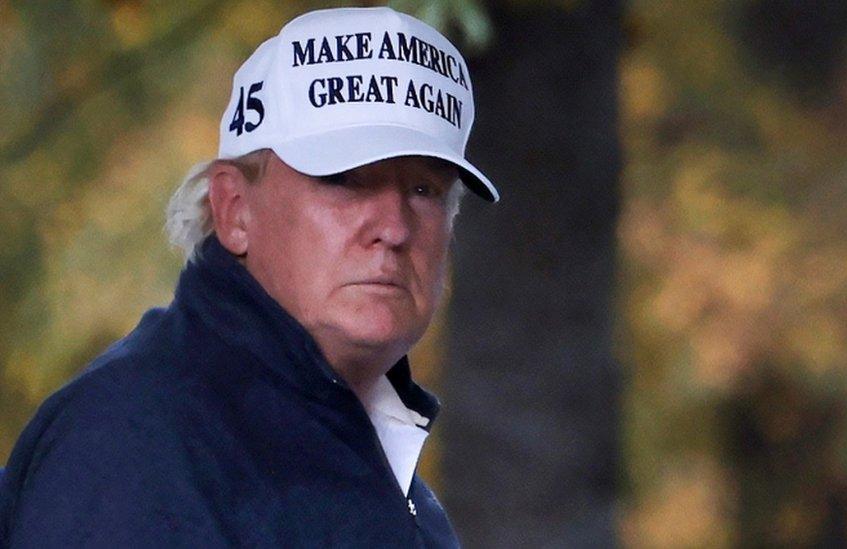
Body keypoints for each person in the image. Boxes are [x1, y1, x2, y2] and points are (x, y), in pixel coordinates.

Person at [0, 7, 498, 547]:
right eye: (345, 180)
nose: (395, 227)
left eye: (425, 190)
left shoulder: (395, 486)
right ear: (234, 208)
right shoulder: (136, 445)